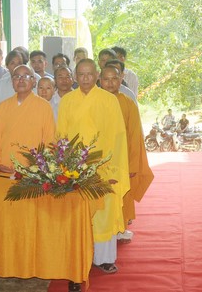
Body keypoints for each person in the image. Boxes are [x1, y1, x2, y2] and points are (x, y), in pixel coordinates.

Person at [57, 59, 128, 274]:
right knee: (78, 213)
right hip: (74, 166)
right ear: (75, 77)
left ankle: (104, 258)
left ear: (97, 75)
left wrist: (114, 168)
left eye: (89, 74)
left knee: (103, 212)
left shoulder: (109, 100)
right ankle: (80, 258)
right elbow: (61, 134)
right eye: (81, 74)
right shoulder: (67, 100)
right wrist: (64, 164)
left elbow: (117, 135)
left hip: (103, 166)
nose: (86, 78)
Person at [99, 65, 154, 242]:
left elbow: (135, 135)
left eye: (114, 79)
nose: (110, 83)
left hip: (121, 158)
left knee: (122, 193)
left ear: (121, 79)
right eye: (106, 79)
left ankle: (120, 227)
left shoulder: (128, 103)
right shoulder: (95, 101)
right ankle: (103, 229)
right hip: (99, 159)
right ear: (100, 80)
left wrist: (132, 164)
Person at [0, 65, 55, 173]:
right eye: (17, 76)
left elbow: (50, 140)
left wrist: (43, 167)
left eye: (26, 76)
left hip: (34, 170)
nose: (21, 80)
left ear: (34, 81)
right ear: (12, 82)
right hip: (5, 167)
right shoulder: (3, 106)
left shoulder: (44, 106)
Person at [0, 50, 24, 120]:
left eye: (19, 63)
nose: (16, 66)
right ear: (7, 66)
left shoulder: (31, 83)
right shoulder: (0, 84)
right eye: (12, 63)